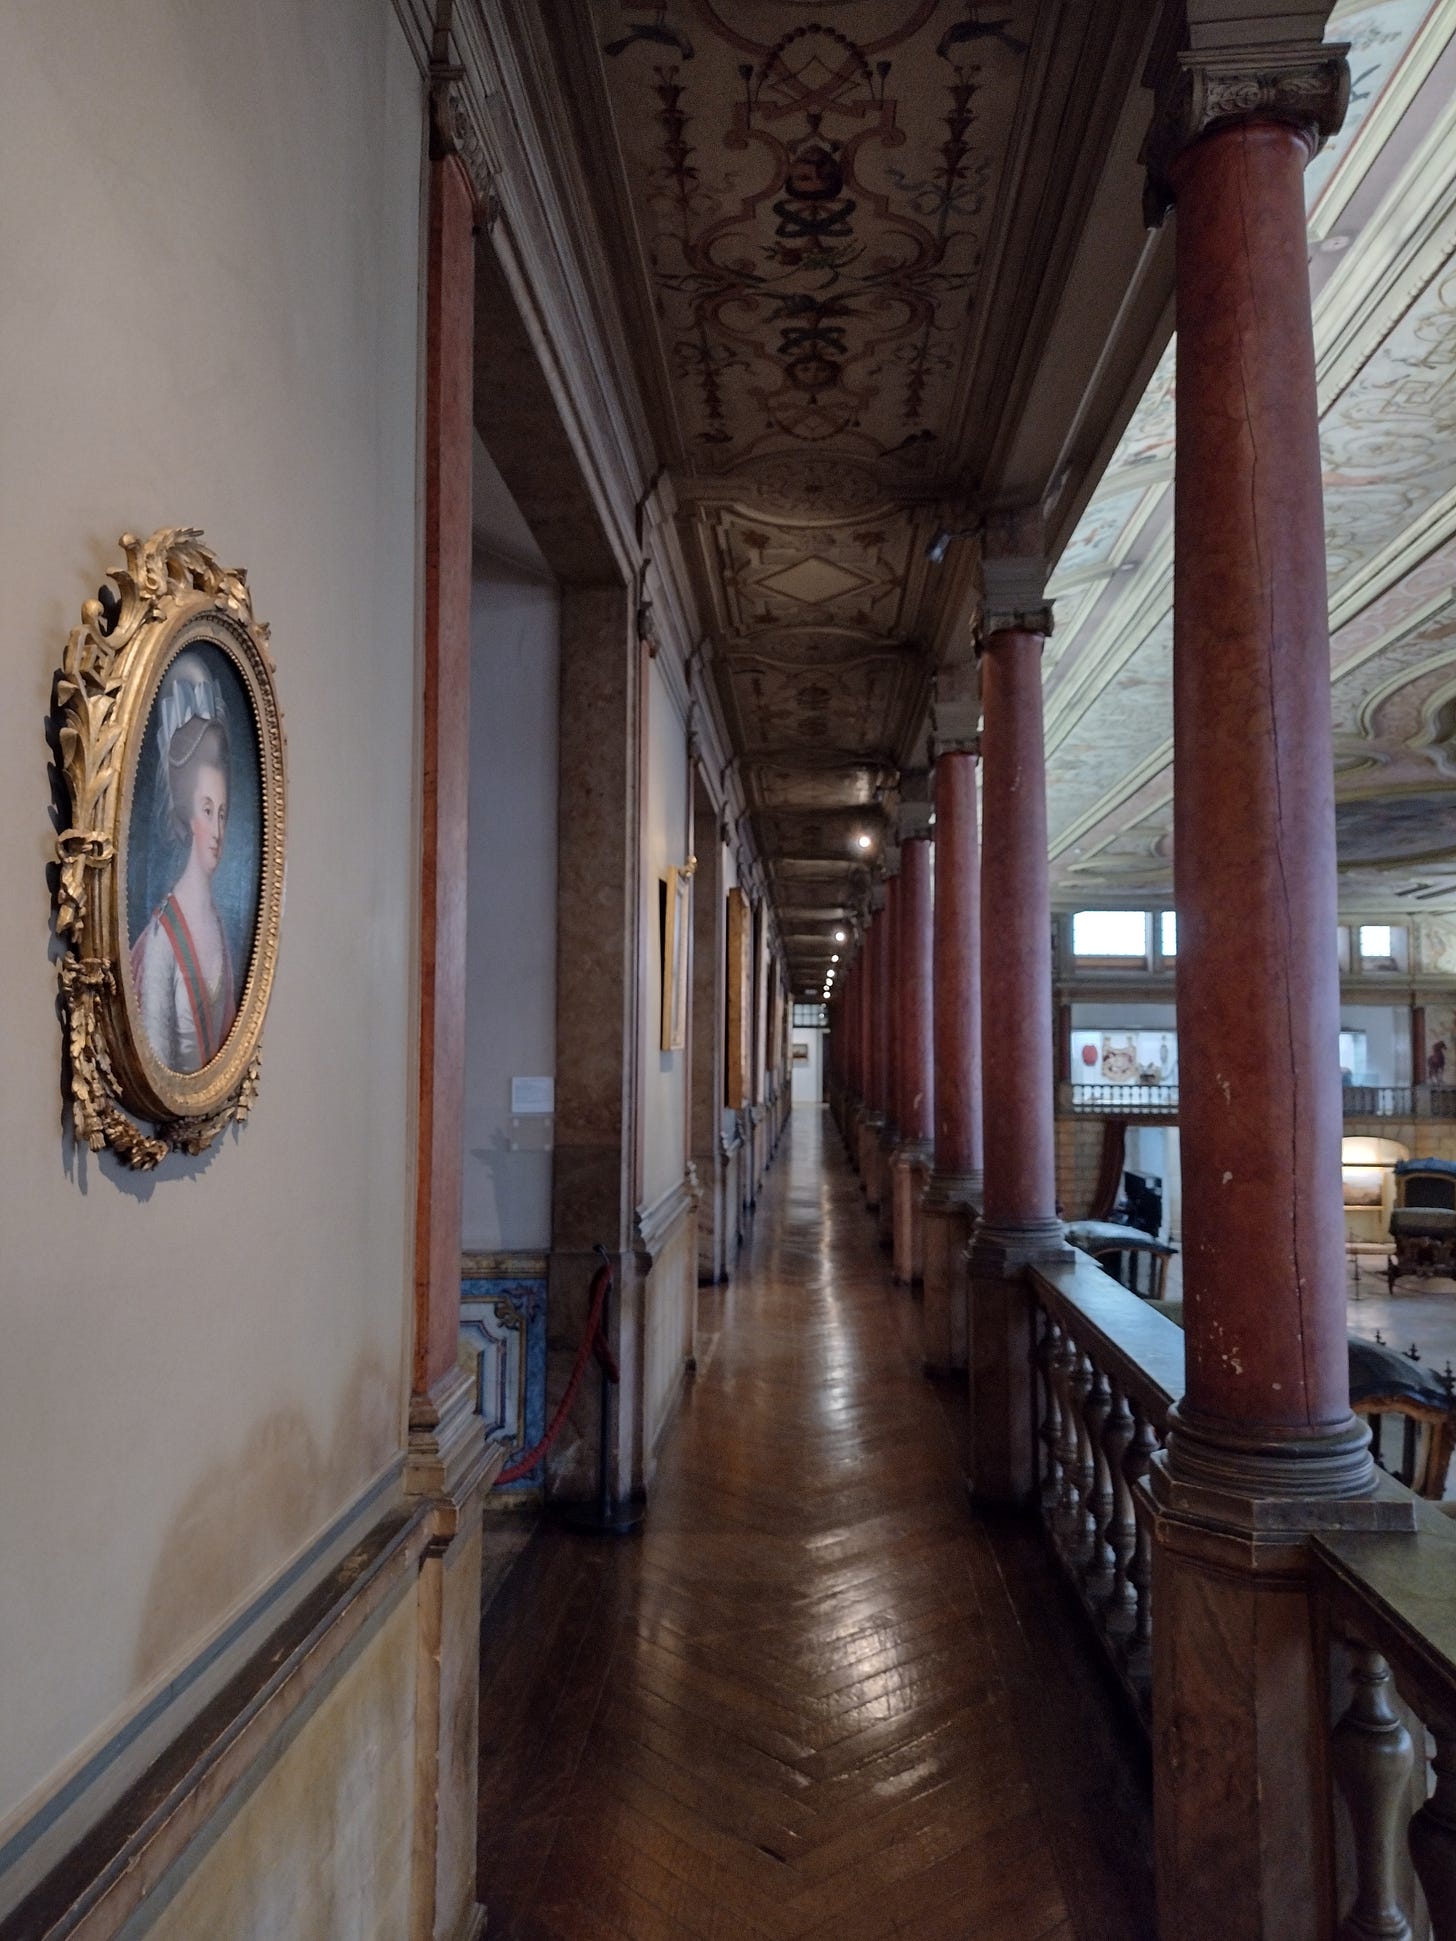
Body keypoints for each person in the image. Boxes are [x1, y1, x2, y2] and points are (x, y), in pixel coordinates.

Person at [130, 676, 238, 1073]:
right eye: (208, 811)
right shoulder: (163, 937)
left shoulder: (218, 923)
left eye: (223, 814)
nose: (218, 830)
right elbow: (156, 1068)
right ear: (189, 816)